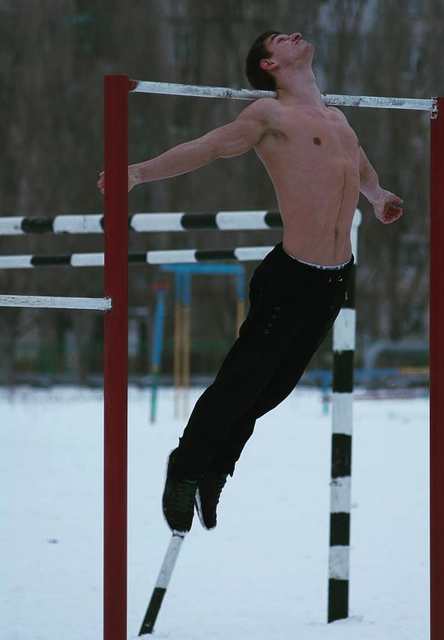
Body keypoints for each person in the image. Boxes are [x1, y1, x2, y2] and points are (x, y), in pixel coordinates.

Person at [97, 30, 403, 535]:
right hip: (292, 276)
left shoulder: (338, 120)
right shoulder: (270, 114)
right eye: (280, 39)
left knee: (273, 390)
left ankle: (216, 468)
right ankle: (186, 466)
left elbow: (362, 171)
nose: (294, 35)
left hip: (335, 279)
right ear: (269, 64)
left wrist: (378, 198)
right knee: (242, 383)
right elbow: (210, 148)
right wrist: (138, 173)